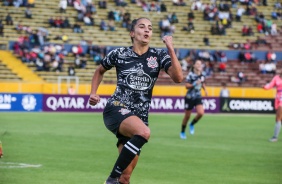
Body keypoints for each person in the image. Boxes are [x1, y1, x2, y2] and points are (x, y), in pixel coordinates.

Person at [88, 17, 183, 184]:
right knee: (144, 133)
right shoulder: (119, 54)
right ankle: (110, 180)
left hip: (139, 117)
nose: (147, 30)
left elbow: (178, 78)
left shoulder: (158, 55)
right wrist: (93, 92)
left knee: (126, 178)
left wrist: (171, 49)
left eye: (150, 28)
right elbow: (100, 70)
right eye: (142, 27)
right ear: (132, 33)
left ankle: (116, 179)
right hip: (116, 108)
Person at [180, 59, 208, 139]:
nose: (199, 65)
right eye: (197, 64)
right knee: (187, 116)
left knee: (201, 113)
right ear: (194, 66)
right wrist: (194, 84)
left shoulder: (202, 75)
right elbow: (186, 86)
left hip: (198, 96)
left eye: (200, 64)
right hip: (190, 97)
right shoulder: (191, 75)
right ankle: (182, 131)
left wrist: (205, 90)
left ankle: (192, 124)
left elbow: (202, 83)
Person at [263, 74, 282, 142]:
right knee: (280, 119)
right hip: (277, 99)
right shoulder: (276, 77)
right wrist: (265, 87)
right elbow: (270, 85)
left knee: (278, 118)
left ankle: (275, 137)